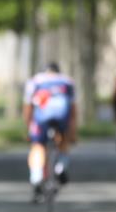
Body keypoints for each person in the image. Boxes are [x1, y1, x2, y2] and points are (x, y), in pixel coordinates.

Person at [23, 62, 77, 200]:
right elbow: (73, 110)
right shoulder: (67, 81)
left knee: (38, 146)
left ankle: (36, 177)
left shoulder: (35, 81)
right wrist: (72, 132)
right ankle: (61, 167)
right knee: (63, 141)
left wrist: (28, 127)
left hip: (41, 119)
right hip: (61, 117)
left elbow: (28, 107)